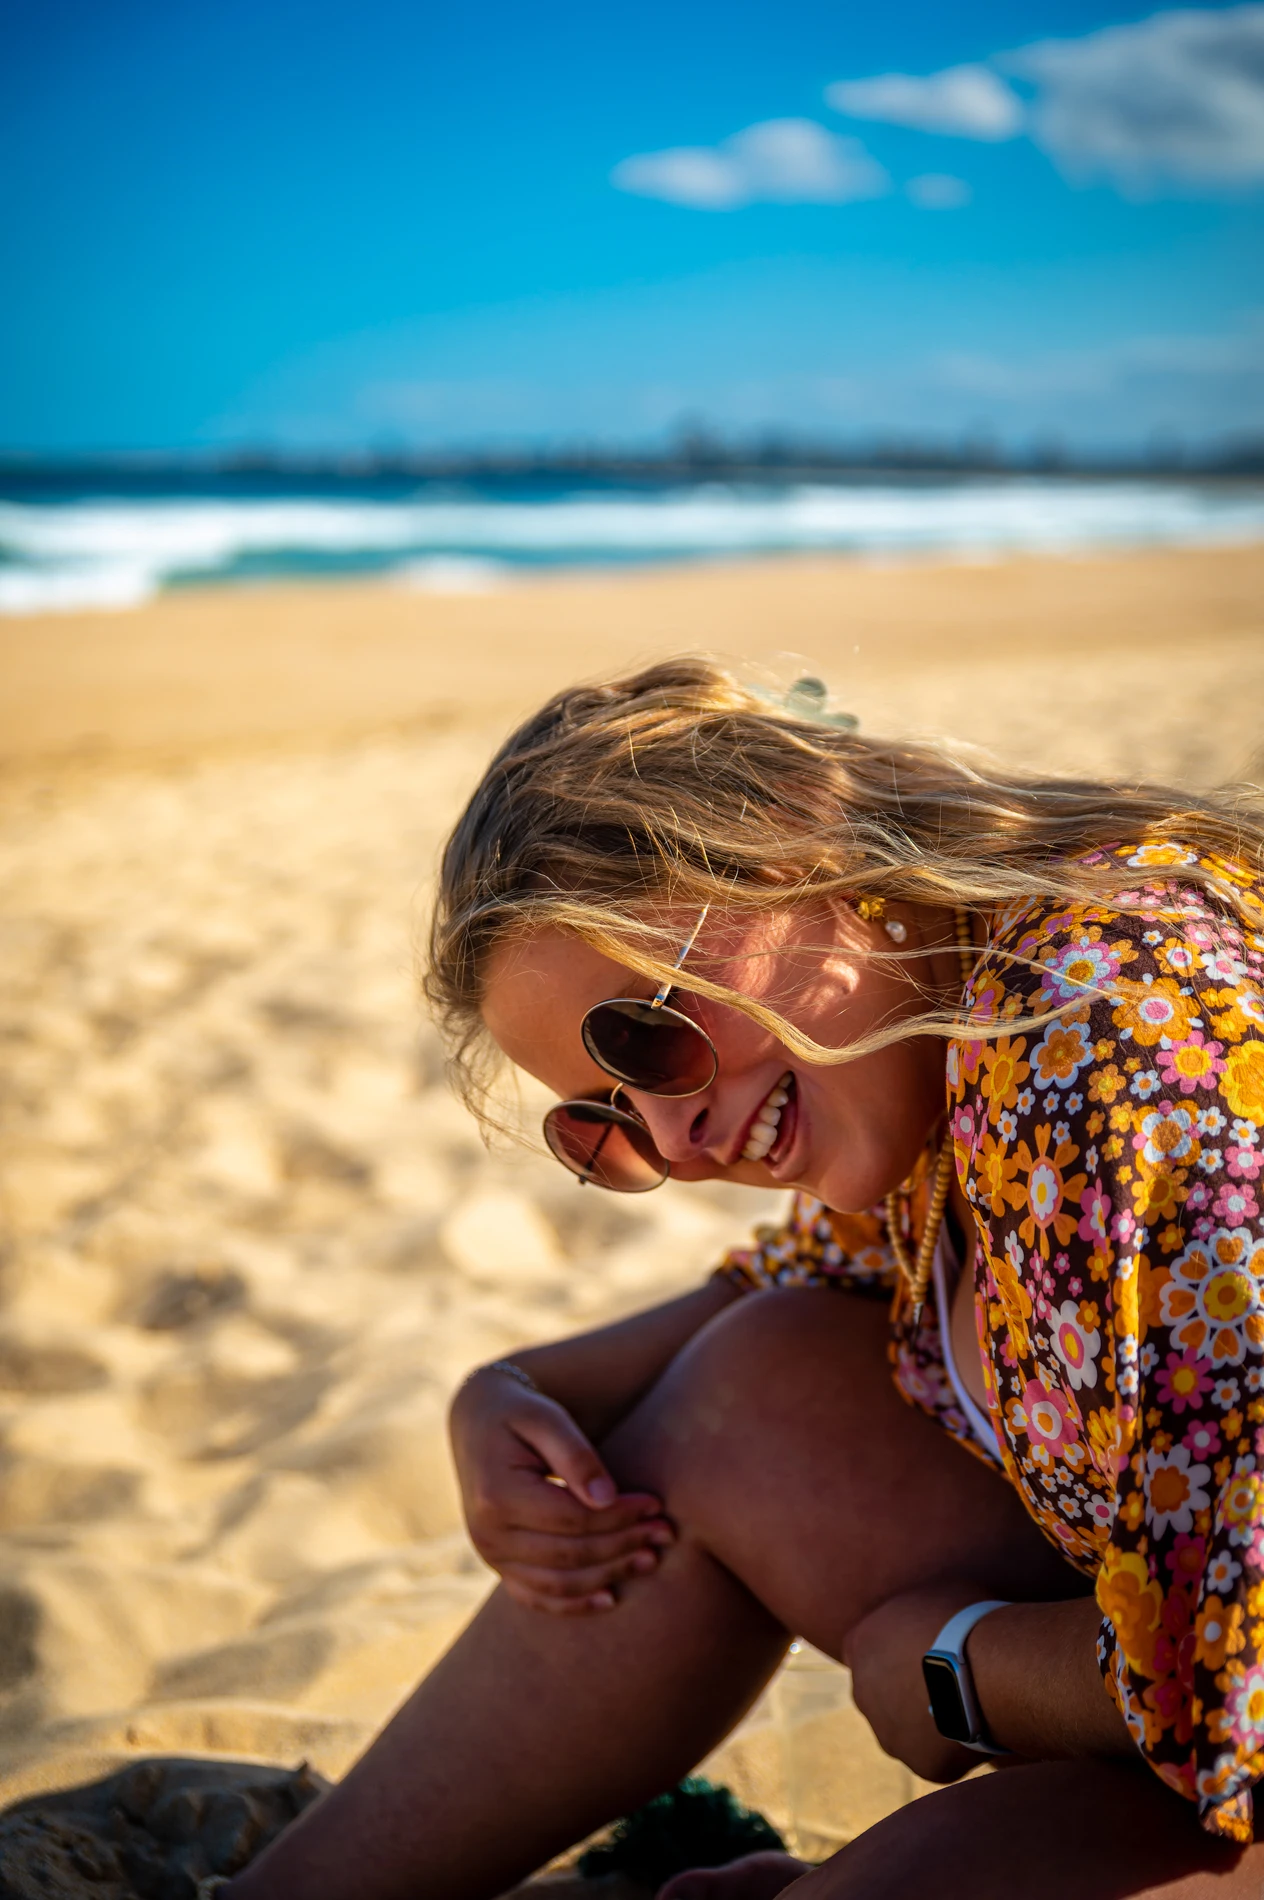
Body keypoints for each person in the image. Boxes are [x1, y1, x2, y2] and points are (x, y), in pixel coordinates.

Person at [225, 659, 1264, 1900]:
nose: (672, 1141)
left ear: (785, 829)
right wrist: (508, 1388)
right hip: (1177, 1708)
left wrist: (956, 1668)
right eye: (603, 1124)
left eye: (644, 1037)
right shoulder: (958, 1042)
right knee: (752, 1383)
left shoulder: (1115, 1061)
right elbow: (784, 1284)